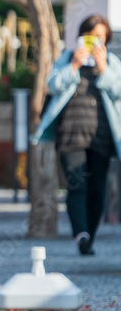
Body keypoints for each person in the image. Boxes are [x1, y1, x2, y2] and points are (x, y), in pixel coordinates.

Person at [32, 15, 121, 256]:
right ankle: (80, 234)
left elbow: (119, 91)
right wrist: (73, 65)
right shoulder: (67, 58)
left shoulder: (112, 63)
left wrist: (103, 69)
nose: (95, 43)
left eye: (100, 38)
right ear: (82, 37)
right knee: (77, 185)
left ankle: (88, 238)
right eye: (90, 37)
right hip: (71, 136)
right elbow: (53, 85)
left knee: (97, 190)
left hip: (101, 137)